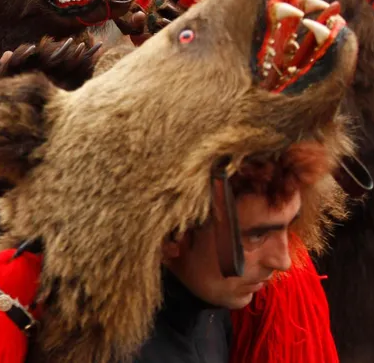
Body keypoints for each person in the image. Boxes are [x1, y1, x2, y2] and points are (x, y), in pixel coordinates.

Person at [135, 150, 314, 363]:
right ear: (174, 232)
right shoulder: (108, 351)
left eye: (290, 225)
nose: (283, 261)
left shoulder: (212, 310)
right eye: (257, 235)